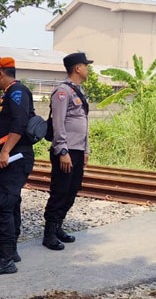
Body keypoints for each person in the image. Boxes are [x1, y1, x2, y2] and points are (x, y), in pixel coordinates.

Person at [0, 57, 35, 277]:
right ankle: (9, 252)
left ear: (0, 74)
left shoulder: (18, 92)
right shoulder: (9, 93)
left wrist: (5, 151)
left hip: (14, 157)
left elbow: (19, 124)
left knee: (3, 205)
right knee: (10, 204)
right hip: (12, 156)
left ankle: (7, 260)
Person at [42, 52, 93, 251]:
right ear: (77, 68)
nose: (87, 69)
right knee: (60, 191)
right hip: (66, 150)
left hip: (78, 150)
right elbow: (58, 123)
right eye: (85, 66)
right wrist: (62, 150)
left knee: (72, 191)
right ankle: (49, 233)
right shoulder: (62, 92)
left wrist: (86, 148)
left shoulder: (78, 91)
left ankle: (58, 227)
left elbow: (83, 122)